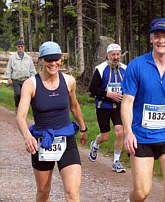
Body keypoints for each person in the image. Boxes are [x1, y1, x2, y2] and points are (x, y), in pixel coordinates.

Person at [121, 18, 165, 202]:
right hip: (141, 137)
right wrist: (128, 132)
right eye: (157, 36)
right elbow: (127, 102)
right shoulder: (136, 66)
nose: (161, 40)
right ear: (151, 39)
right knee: (141, 193)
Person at [16, 41, 87, 202]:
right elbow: (20, 116)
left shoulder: (69, 81)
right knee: (43, 191)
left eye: (57, 59)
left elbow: (74, 106)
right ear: (41, 60)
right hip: (42, 141)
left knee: (72, 193)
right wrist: (28, 137)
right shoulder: (30, 84)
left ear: (61, 59)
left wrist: (83, 128)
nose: (53, 63)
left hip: (66, 139)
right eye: (49, 59)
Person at [88, 43, 127, 173]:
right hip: (103, 106)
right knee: (105, 136)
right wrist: (108, 94)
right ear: (107, 56)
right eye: (113, 55)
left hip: (118, 106)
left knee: (119, 131)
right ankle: (95, 144)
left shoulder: (125, 69)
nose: (116, 57)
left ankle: (116, 161)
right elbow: (92, 89)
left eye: (117, 54)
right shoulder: (100, 69)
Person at [4, 40, 36, 111]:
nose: (20, 48)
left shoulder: (28, 58)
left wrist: (33, 79)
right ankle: (17, 106)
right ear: (17, 47)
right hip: (16, 80)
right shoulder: (12, 57)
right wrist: (9, 78)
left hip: (26, 80)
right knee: (17, 94)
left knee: (24, 95)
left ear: (24, 47)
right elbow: (9, 68)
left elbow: (32, 70)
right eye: (19, 46)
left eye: (21, 46)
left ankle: (23, 109)